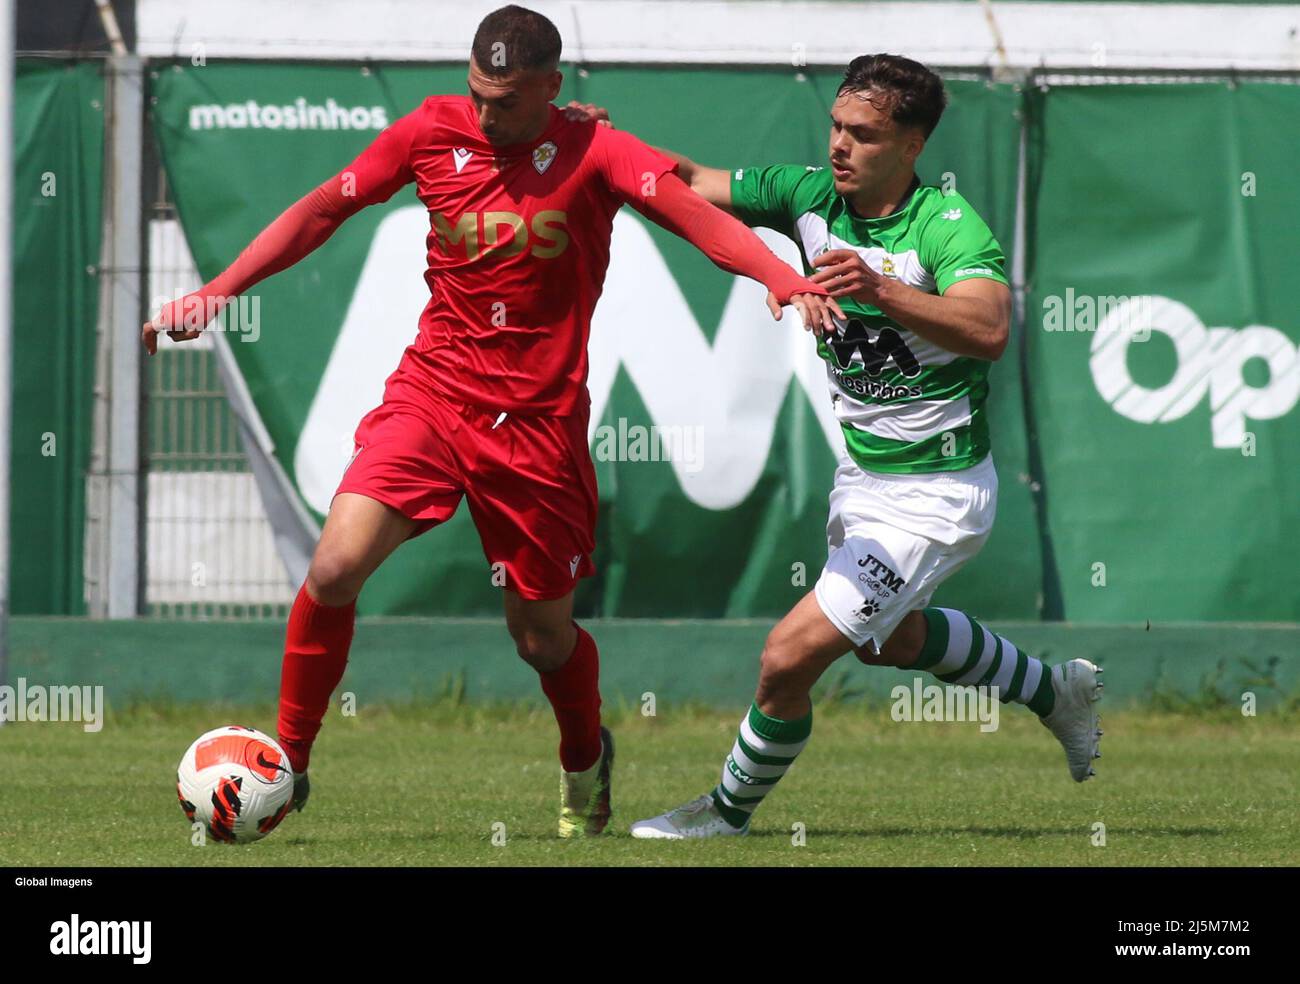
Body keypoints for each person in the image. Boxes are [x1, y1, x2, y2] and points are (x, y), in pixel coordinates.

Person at [141, 4, 840, 839]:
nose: (486, 113)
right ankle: (289, 763)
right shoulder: (431, 132)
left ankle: (585, 756)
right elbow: (322, 208)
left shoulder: (598, 150)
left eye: (506, 100)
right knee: (334, 568)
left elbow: (699, 219)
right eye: (477, 93)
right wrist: (217, 292)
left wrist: (779, 275)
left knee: (542, 641)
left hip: (537, 434)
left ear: (553, 87)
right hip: (433, 398)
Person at [613, 54, 1103, 839]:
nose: (840, 145)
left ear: (911, 148)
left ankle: (725, 815)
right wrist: (600, 147)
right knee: (893, 643)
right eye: (837, 125)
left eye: (864, 134)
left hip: (937, 496)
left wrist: (881, 289)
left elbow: (990, 328)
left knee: (786, 658)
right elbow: (691, 179)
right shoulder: (807, 193)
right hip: (864, 482)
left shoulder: (946, 226)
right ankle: (1055, 693)